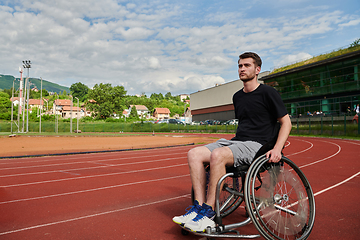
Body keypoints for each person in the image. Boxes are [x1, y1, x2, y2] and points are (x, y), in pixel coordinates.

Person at [172, 52, 292, 233]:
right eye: (240, 66)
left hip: (258, 145)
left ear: (257, 70)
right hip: (238, 142)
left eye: (247, 65)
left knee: (218, 155)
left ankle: (208, 213)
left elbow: (286, 122)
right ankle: (198, 206)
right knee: (194, 154)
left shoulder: (268, 93)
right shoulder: (238, 96)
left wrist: (277, 149)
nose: (242, 69)